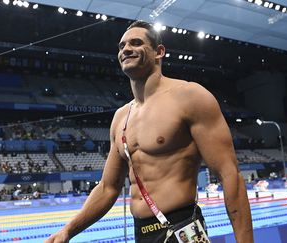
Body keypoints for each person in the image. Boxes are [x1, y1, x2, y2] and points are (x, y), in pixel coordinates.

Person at [45, 20, 253, 243]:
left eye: (136, 43)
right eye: (122, 46)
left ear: (159, 52)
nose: (126, 49)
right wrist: (68, 230)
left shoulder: (190, 97)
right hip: (141, 234)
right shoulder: (121, 118)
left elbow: (229, 174)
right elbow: (108, 187)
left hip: (182, 228)